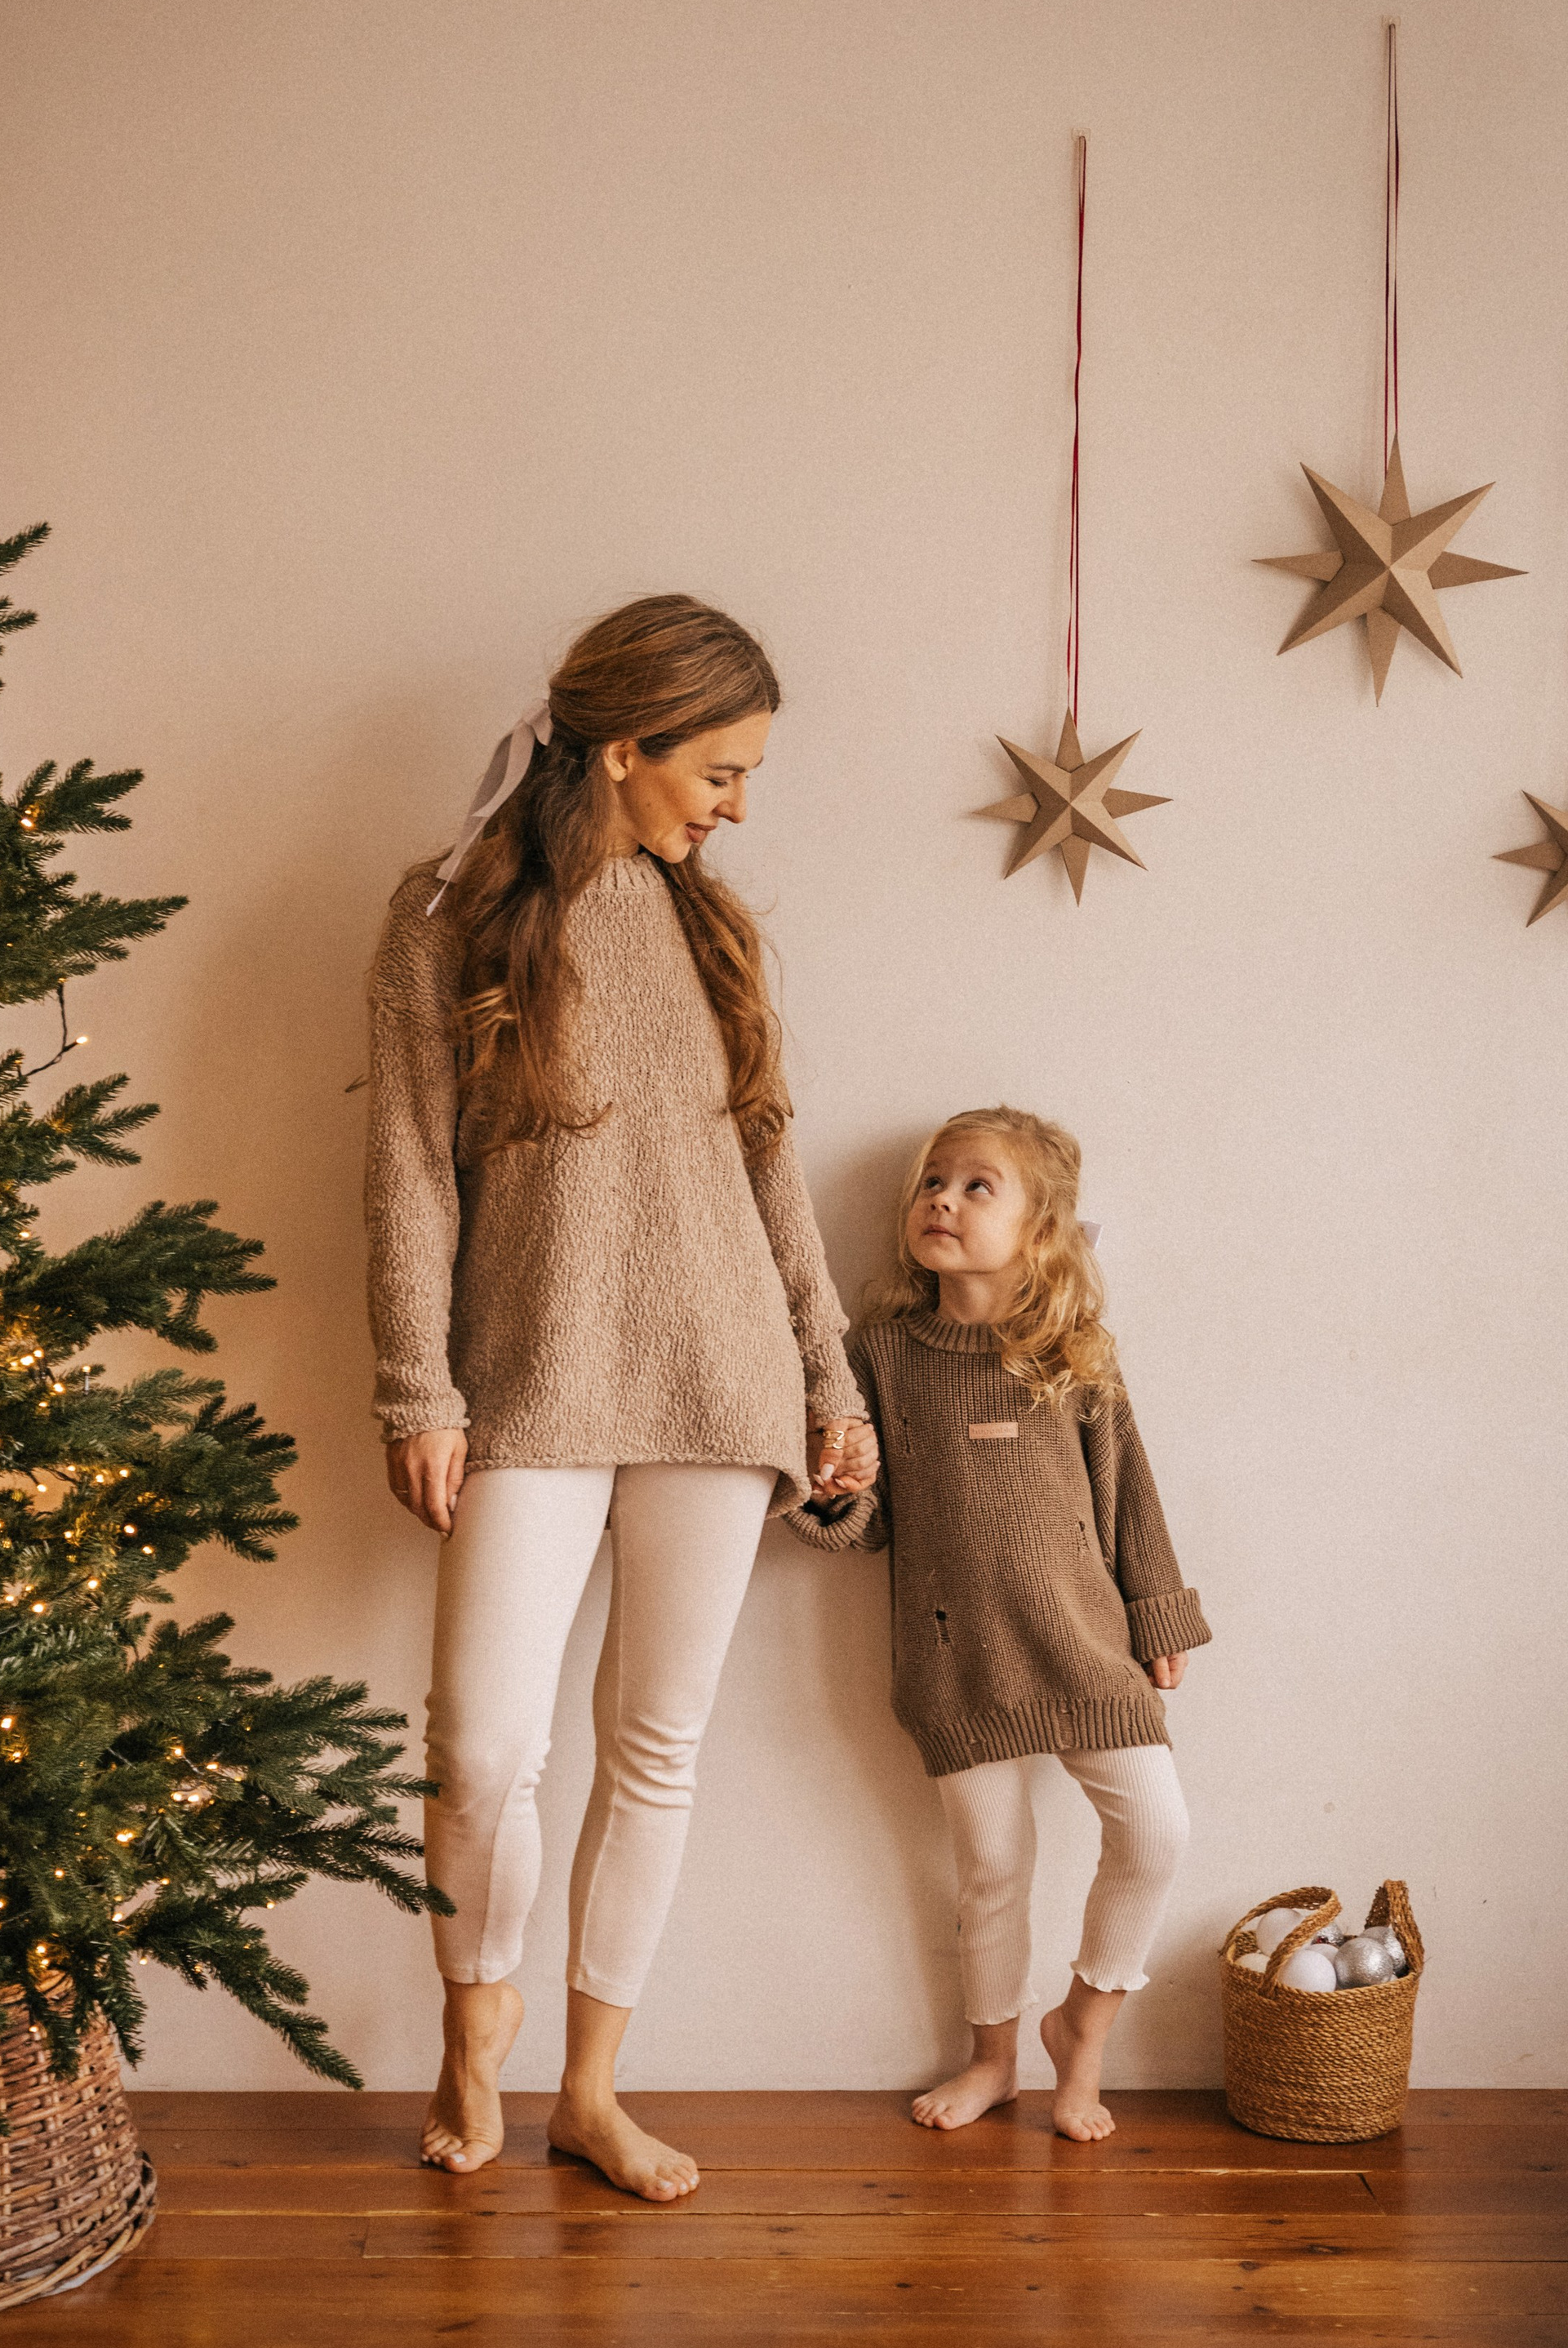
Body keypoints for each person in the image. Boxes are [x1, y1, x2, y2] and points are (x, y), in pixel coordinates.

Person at [366, 594, 875, 2202]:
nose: (735, 806)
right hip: (530, 1373)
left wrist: (827, 1376)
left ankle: (589, 2085)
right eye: (717, 771)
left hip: (721, 1379)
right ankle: (478, 2017)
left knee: (654, 1749)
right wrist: (413, 1386)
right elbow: (402, 1164)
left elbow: (766, 1161)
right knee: (480, 1749)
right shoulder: (446, 910)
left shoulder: (709, 928)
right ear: (621, 747)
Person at [788, 1105, 1208, 2141]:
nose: (944, 1199)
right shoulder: (878, 1357)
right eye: (934, 1181)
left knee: (1156, 1832)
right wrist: (828, 1490)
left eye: (980, 1186)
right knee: (990, 1867)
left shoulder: (1073, 1354)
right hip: (954, 1656)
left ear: (1040, 1227)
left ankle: (1084, 2034)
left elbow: (1130, 1496)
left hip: (1083, 1643)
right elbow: (865, 1519)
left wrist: (1157, 1609)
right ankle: (992, 2059)